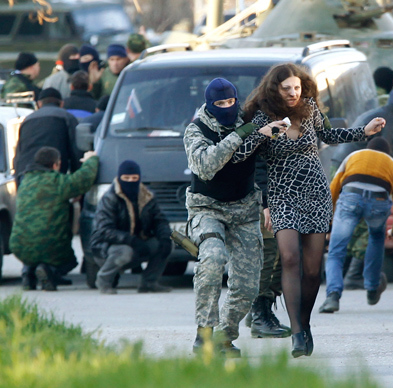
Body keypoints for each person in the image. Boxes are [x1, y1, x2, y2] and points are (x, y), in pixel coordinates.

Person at [231, 63, 384, 358]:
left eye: (297, 88)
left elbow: (328, 135)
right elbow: (244, 155)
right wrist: (263, 133)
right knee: (289, 258)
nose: (292, 93)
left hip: (315, 193)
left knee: (313, 270)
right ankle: (297, 332)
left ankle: (305, 323)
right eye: (286, 88)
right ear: (274, 88)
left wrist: (363, 132)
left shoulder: (310, 108)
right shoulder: (261, 115)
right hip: (282, 195)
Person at [184, 78, 284, 357]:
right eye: (221, 104)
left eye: (231, 102)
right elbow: (206, 166)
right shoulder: (197, 129)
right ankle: (203, 332)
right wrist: (243, 134)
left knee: (248, 283)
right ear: (209, 104)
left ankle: (224, 337)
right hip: (207, 209)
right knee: (213, 260)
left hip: (244, 211)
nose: (228, 108)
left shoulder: (249, 120)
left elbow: (265, 161)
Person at [319, 137, 393, 313]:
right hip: (379, 201)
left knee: (336, 251)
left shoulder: (354, 155)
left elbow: (333, 189)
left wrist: (327, 224)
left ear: (368, 148)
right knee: (376, 237)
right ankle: (373, 288)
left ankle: (332, 296)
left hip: (351, 197)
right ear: (387, 153)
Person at [9, 147, 98, 291]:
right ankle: (49, 271)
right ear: (56, 164)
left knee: (33, 249)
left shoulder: (25, 181)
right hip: (49, 246)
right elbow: (83, 179)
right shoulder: (57, 182)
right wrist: (91, 159)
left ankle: (28, 274)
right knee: (68, 261)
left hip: (19, 246)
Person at [90, 160, 173, 294]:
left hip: (138, 243)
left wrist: (165, 236)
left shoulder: (147, 197)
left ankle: (149, 283)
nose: (130, 181)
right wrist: (131, 240)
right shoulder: (109, 198)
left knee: (166, 244)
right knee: (124, 251)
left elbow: (159, 220)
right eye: (126, 178)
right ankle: (104, 281)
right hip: (107, 248)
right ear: (119, 178)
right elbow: (104, 230)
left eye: (134, 178)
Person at [244, 154, 291, 339]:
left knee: (281, 256)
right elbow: (259, 166)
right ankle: (259, 314)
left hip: (282, 196)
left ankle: (262, 311)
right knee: (270, 256)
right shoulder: (263, 126)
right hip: (264, 198)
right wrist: (266, 201)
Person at [14, 88, 81, 184]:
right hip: (53, 177)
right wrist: (77, 183)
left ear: (39, 104)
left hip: (26, 176)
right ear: (61, 103)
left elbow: (19, 154)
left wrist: (18, 180)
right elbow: (76, 151)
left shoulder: (27, 120)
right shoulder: (67, 118)